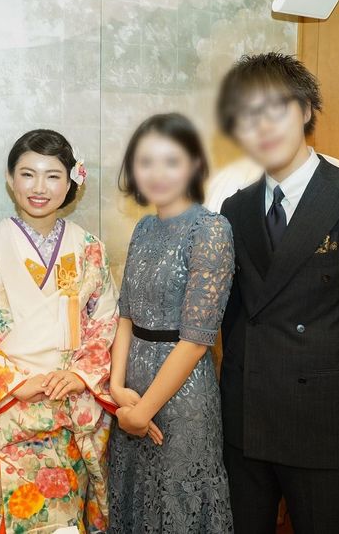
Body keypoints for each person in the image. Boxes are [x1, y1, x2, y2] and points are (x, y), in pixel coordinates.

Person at [217, 52, 339, 534]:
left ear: (305, 110)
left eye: (276, 108)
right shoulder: (235, 208)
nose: (263, 126)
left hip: (324, 422)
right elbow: (231, 317)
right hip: (246, 419)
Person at [0, 129, 118, 534]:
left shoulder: (89, 248)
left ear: (70, 181)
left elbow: (105, 322)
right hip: (6, 413)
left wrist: (80, 376)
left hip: (67, 411)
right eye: (28, 174)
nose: (39, 187)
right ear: (10, 179)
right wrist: (16, 384)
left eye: (53, 175)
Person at [108, 113, 235, 533]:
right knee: (134, 500)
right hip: (131, 393)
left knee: (177, 505)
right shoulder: (144, 227)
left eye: (171, 161)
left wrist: (143, 411)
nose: (157, 173)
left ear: (194, 165)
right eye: (146, 162)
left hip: (182, 397)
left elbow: (197, 339)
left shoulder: (211, 230)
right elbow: (126, 314)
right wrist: (117, 388)